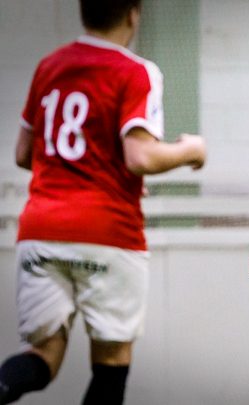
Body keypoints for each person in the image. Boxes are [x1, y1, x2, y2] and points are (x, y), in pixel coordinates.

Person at [0, 0, 206, 404]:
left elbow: (24, 153)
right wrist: (190, 150)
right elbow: (140, 156)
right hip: (108, 233)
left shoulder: (50, 66)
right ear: (133, 13)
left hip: (41, 230)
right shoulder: (136, 71)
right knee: (112, 360)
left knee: (43, 356)